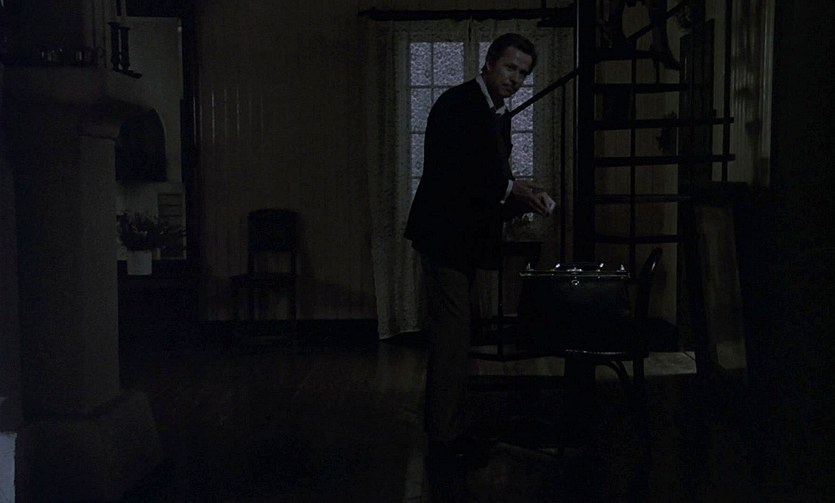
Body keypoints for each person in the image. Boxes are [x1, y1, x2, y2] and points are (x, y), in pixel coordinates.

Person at [404, 33, 556, 469]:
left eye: (523, 73)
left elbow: (487, 182)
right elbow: (459, 173)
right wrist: (513, 189)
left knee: (457, 337)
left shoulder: (491, 110)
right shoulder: (460, 104)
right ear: (488, 63)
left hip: (459, 238)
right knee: (452, 339)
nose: (516, 79)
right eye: (510, 68)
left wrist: (524, 195)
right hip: (445, 237)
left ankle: (450, 429)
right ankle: (444, 439)